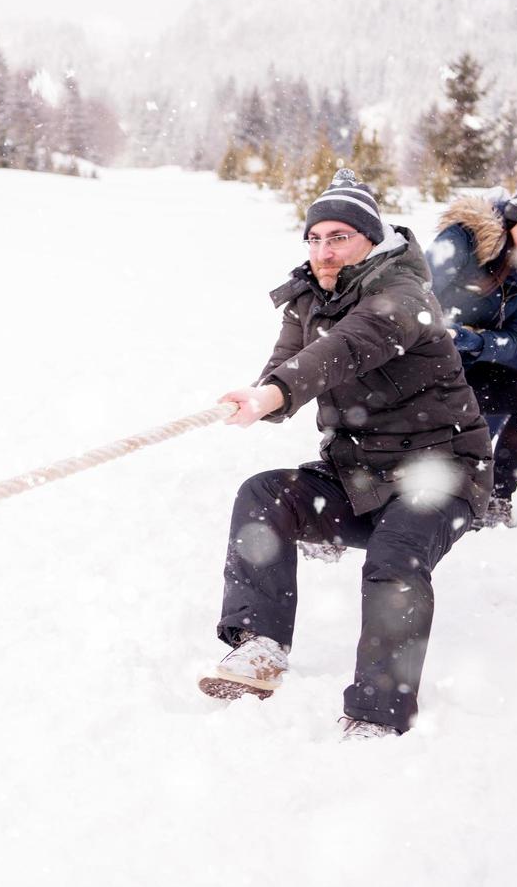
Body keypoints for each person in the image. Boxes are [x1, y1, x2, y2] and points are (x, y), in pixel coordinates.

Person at [202, 169, 492, 740]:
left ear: (370, 240)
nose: (323, 250)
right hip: (358, 476)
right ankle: (259, 647)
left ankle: (378, 712)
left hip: (443, 472)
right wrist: (264, 398)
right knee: (264, 496)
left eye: (339, 237)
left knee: (395, 555)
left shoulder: (405, 295)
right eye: (314, 238)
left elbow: (348, 348)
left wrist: (276, 391)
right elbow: (289, 369)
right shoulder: (307, 300)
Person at [429, 165, 517, 527]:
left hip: (467, 366)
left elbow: (515, 341)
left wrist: (474, 340)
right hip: (420, 363)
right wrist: (446, 332)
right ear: (508, 224)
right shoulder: (462, 240)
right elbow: (415, 298)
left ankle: (497, 496)